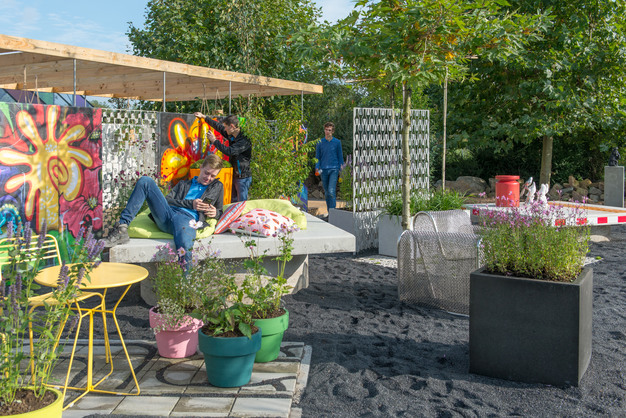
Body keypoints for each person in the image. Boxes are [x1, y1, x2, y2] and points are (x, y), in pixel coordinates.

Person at [104, 155, 224, 263]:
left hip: (188, 220)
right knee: (145, 181)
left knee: (185, 248)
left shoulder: (217, 187)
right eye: (206, 173)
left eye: (213, 176)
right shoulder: (183, 184)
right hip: (167, 215)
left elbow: (220, 211)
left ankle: (186, 279)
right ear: (201, 167)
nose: (208, 178)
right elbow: (168, 200)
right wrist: (190, 204)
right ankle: (121, 229)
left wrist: (215, 213)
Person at [193, 112, 252, 202]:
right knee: (233, 202)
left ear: (232, 126)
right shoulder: (232, 135)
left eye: (226, 127)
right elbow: (219, 127)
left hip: (242, 177)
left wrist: (214, 141)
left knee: (241, 203)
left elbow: (229, 151)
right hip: (234, 174)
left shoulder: (244, 140)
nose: (224, 129)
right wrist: (204, 117)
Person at [315, 122, 344, 214]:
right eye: (326, 130)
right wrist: (317, 167)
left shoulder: (337, 142)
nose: (328, 132)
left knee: (331, 191)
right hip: (323, 170)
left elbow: (340, 157)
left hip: (334, 169)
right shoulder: (320, 143)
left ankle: (333, 212)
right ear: (324, 130)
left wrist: (342, 170)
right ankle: (330, 213)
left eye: (329, 130)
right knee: (327, 193)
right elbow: (317, 157)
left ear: (333, 131)